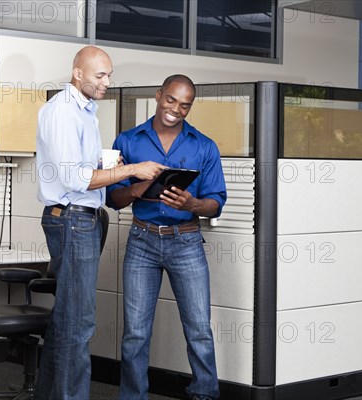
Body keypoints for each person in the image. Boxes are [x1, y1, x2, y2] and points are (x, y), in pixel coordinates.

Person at [35, 46, 166, 400]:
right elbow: (75, 178)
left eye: (109, 74)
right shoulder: (63, 112)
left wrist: (108, 164)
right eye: (100, 75)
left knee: (68, 320)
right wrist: (131, 170)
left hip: (83, 221)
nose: (108, 82)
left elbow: (81, 167)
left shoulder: (85, 112)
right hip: (73, 221)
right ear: (77, 74)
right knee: (79, 324)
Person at [107, 74, 227, 400]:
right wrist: (138, 185)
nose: (176, 109)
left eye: (185, 105)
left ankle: (204, 394)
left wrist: (193, 204)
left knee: (199, 330)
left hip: (186, 242)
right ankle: (133, 397)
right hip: (141, 241)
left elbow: (216, 203)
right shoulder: (129, 140)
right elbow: (113, 200)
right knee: (135, 333)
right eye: (171, 100)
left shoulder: (204, 146)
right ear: (159, 95)